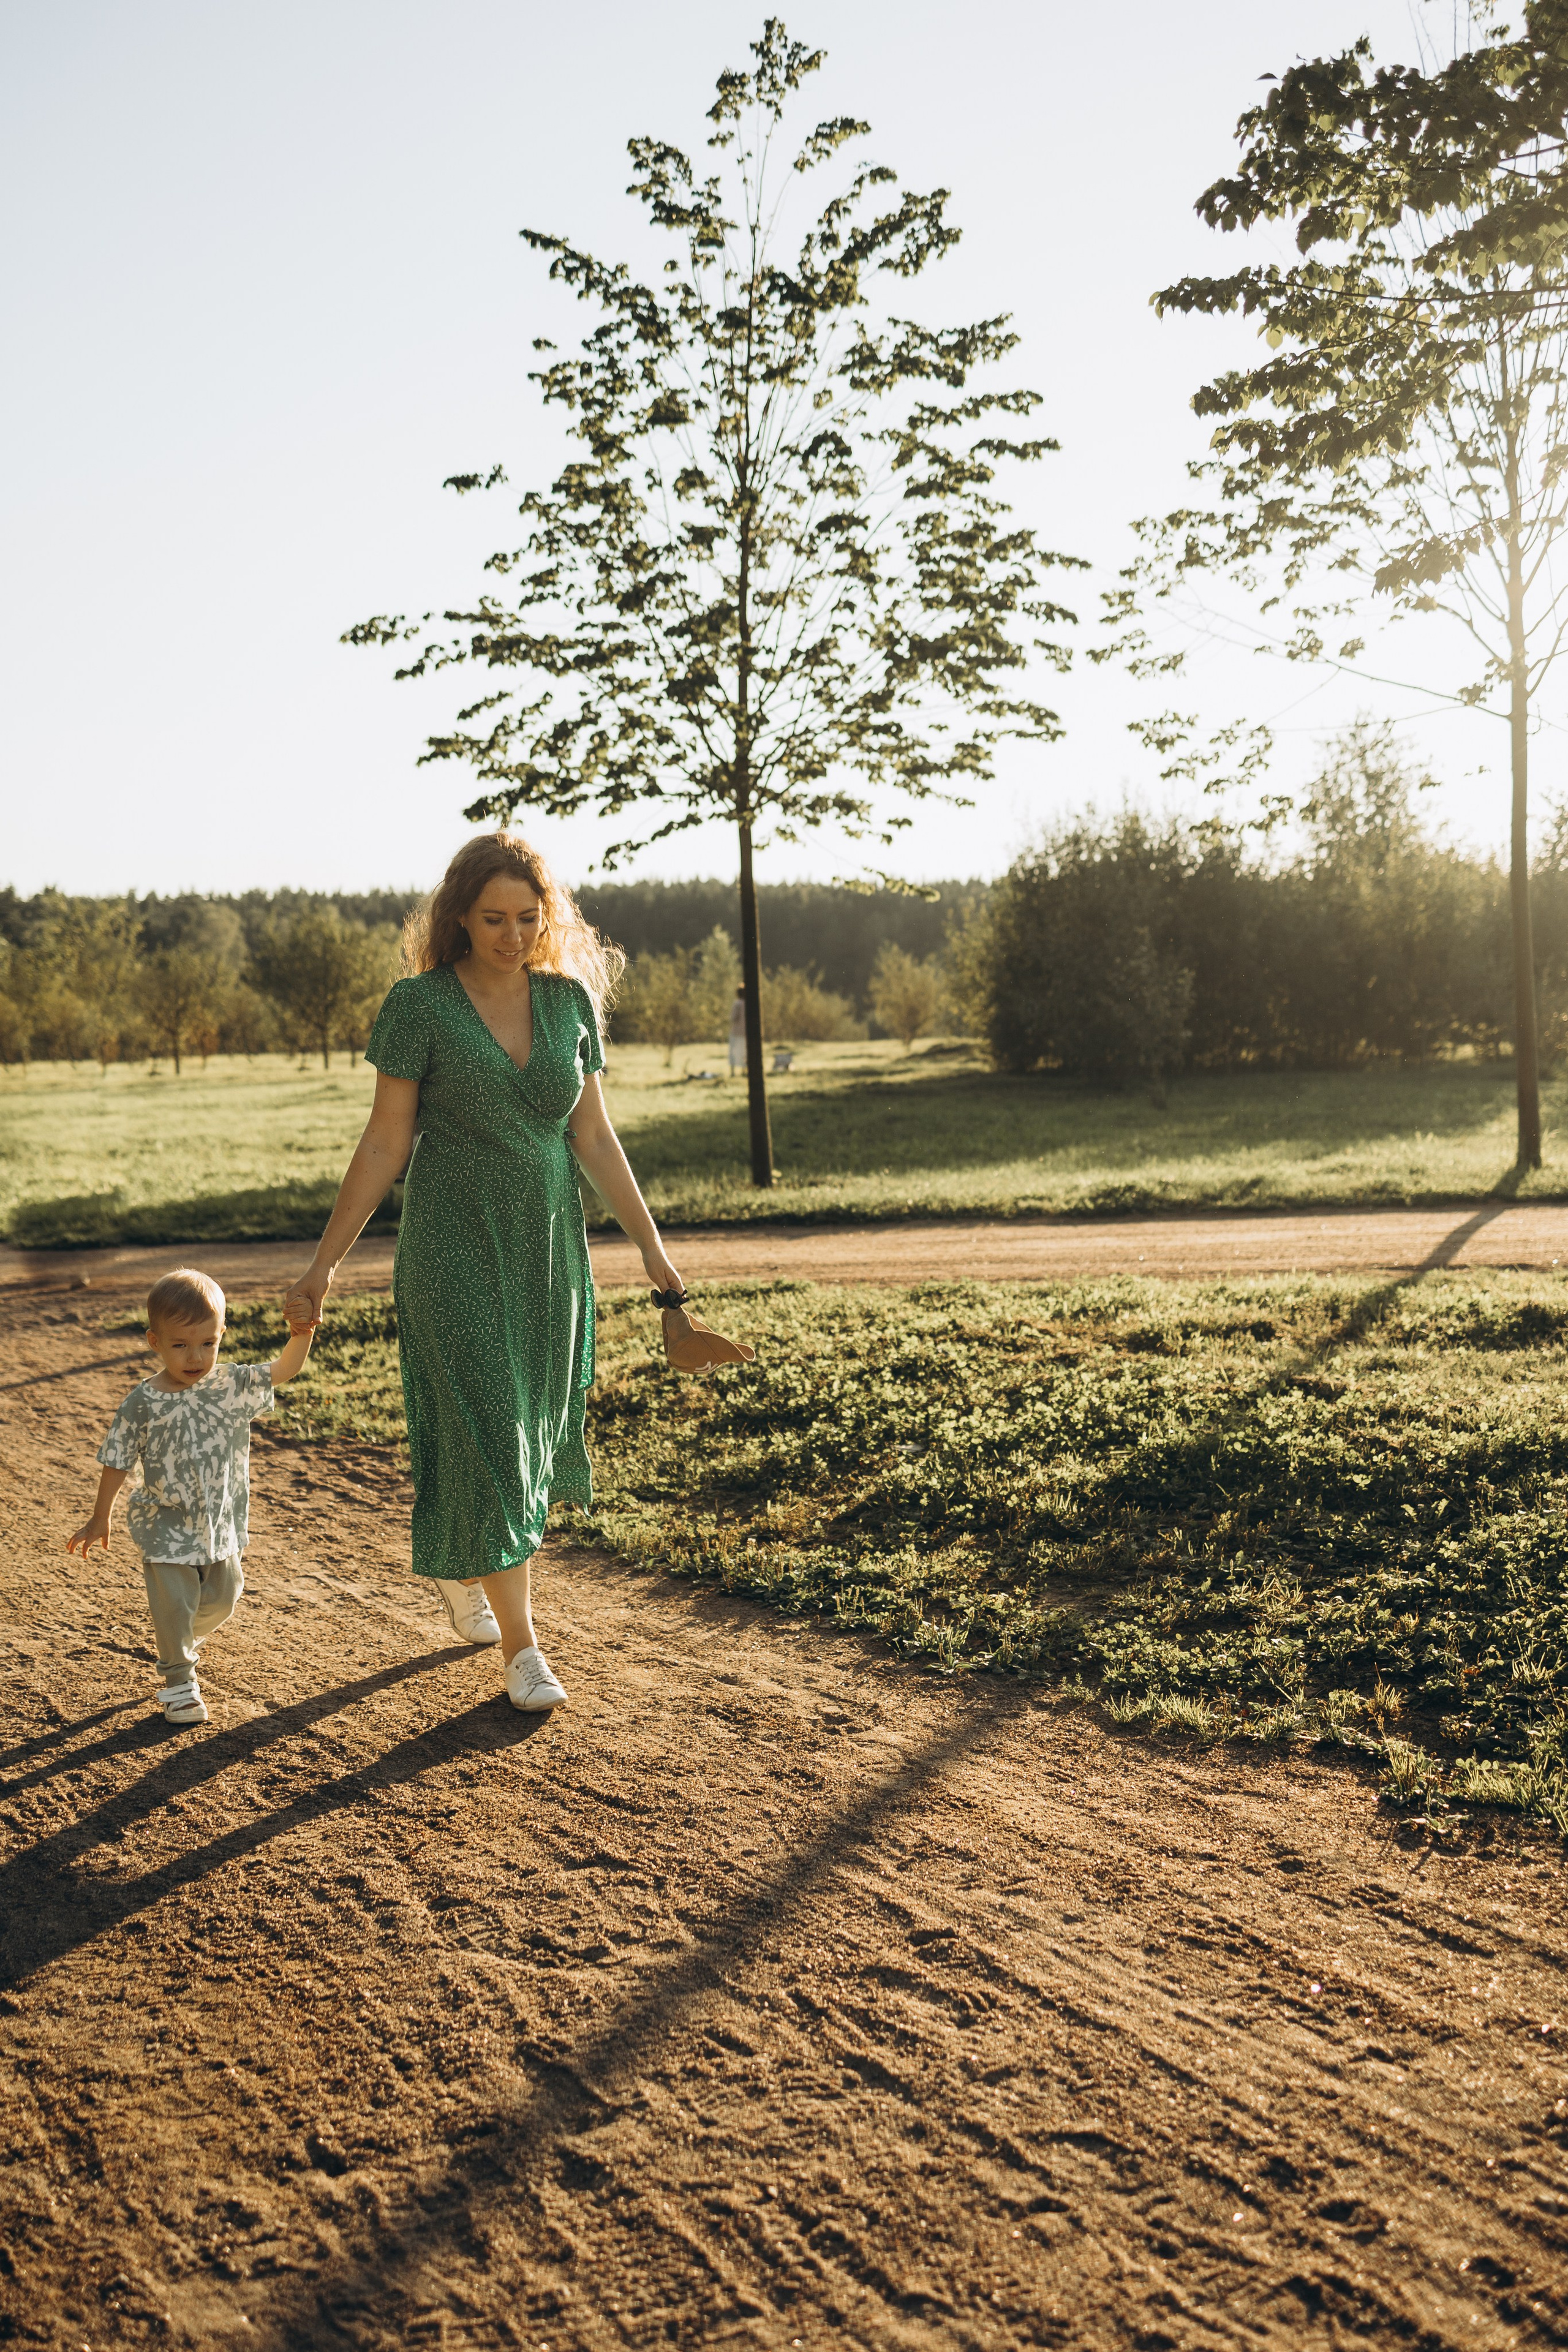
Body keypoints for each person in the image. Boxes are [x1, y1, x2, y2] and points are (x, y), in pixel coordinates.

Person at [283, 833, 684, 1714]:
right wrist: (324, 1265)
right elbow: (387, 1141)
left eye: (527, 919)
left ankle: (472, 1564)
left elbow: (594, 1137)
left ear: (549, 919)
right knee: (492, 1430)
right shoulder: (419, 1006)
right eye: (494, 918)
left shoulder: (568, 1003)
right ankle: (525, 1648)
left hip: (547, 1251)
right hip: (451, 1246)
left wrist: (652, 1246)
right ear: (459, 916)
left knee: (524, 1426)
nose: (511, 934)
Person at [66, 1266, 316, 1726]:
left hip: (219, 1522)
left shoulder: (232, 1385)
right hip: (165, 1524)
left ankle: (176, 1639)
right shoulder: (142, 1402)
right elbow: (117, 1458)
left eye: (208, 1342)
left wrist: (301, 1332)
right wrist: (100, 1516)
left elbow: (286, 1368)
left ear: (222, 1334)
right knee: (176, 1602)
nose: (195, 1356)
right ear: (154, 1341)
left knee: (225, 1597)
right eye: (180, 1344)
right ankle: (178, 1680)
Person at [729, 982, 747, 1076]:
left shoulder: (737, 1004)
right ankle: (744, 1071)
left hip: (736, 1032)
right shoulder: (748, 1004)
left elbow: (733, 1017)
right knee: (744, 1051)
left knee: (733, 1051)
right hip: (746, 1032)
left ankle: (733, 1072)